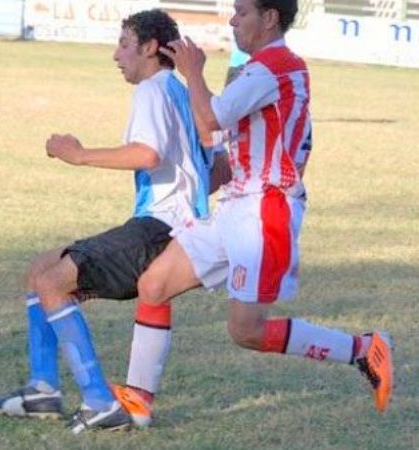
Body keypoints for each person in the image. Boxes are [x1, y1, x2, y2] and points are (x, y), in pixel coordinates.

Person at [132, 0, 393, 416]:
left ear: (270, 18)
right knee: (154, 285)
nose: (233, 20)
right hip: (236, 204)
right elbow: (223, 132)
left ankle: (364, 349)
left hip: (262, 213)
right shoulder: (266, 69)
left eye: (242, 12)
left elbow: (211, 118)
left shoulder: (273, 67)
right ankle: (136, 402)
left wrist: (193, 73)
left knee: (246, 331)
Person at [0, 10, 224, 433]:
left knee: (53, 281)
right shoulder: (182, 92)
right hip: (172, 225)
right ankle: (42, 389)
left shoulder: (152, 90)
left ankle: (99, 401)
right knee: (41, 268)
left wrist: (79, 154)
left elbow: (147, 154)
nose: (116, 55)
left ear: (150, 48)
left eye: (125, 44)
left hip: (159, 228)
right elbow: (215, 166)